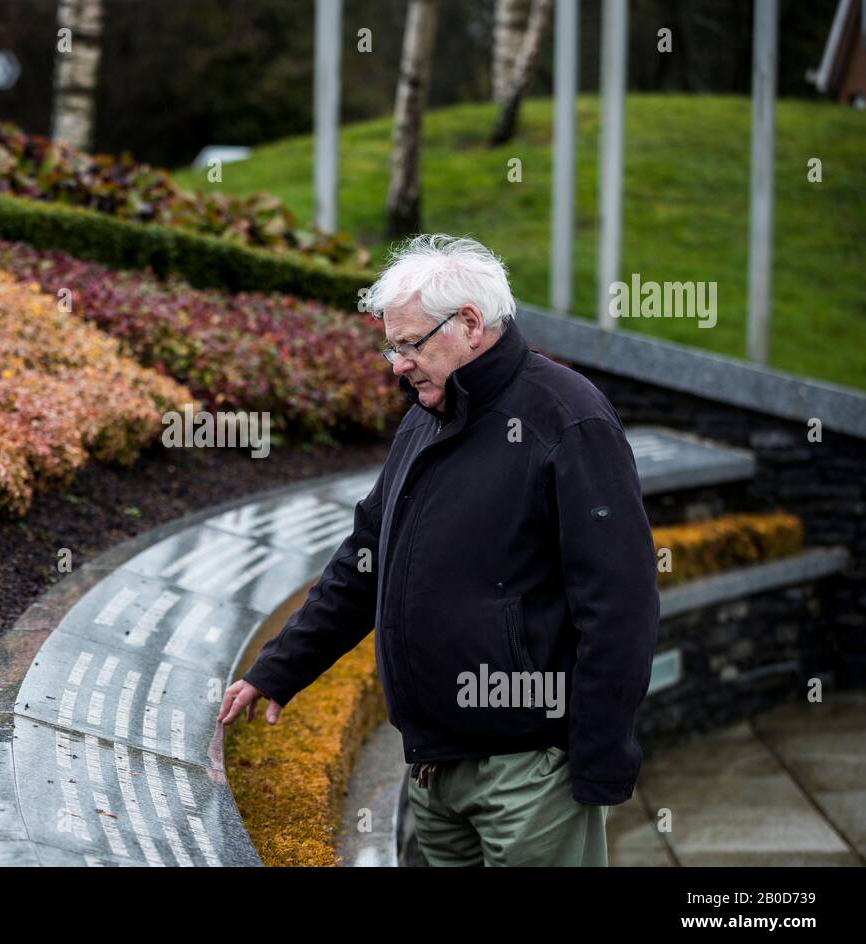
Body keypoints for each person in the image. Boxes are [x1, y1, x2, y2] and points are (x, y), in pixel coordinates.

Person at [218, 234, 660, 867]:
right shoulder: (427, 413)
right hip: (432, 769)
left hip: (530, 774)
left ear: (471, 324)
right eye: (391, 346)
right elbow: (367, 556)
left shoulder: (568, 417)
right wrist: (280, 667)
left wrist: (593, 763)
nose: (397, 363)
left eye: (408, 344)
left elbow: (621, 604)